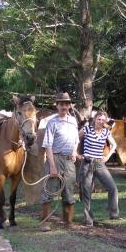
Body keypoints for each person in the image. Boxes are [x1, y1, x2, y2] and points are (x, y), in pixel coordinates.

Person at [40, 92, 80, 232]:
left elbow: (76, 140)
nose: (64, 106)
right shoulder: (52, 122)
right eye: (61, 104)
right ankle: (45, 222)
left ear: (70, 106)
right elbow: (47, 146)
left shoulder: (73, 121)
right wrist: (52, 166)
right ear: (56, 106)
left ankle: (68, 222)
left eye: (67, 103)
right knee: (48, 191)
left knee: (68, 191)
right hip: (55, 158)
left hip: (69, 161)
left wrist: (74, 151)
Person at [78, 110, 120, 226]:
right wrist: (77, 154)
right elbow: (76, 139)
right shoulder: (87, 129)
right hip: (87, 163)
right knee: (86, 192)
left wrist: (107, 156)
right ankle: (88, 219)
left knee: (112, 188)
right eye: (99, 119)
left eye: (103, 120)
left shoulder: (106, 132)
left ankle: (114, 214)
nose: (101, 122)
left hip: (99, 163)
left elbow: (114, 145)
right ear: (94, 119)